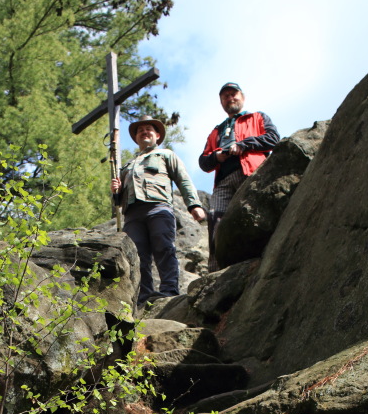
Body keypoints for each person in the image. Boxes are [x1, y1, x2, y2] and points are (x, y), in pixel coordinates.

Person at [111, 115, 205, 307]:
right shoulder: (127, 166)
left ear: (157, 135)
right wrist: (116, 191)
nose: (144, 132)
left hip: (158, 207)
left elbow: (183, 179)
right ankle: (143, 296)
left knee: (164, 247)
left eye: (148, 129)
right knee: (137, 256)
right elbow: (118, 201)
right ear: (136, 138)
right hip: (132, 215)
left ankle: (169, 291)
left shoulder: (165, 155)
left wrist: (193, 205)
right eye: (140, 130)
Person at [199, 83, 279, 271]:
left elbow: (273, 138)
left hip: (251, 172)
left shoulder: (257, 117)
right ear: (221, 103)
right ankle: (216, 270)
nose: (230, 98)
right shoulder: (216, 131)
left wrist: (244, 144)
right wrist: (216, 156)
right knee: (215, 219)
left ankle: (263, 258)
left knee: (253, 214)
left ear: (242, 97)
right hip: (223, 182)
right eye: (225, 96)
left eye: (233, 94)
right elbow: (203, 161)